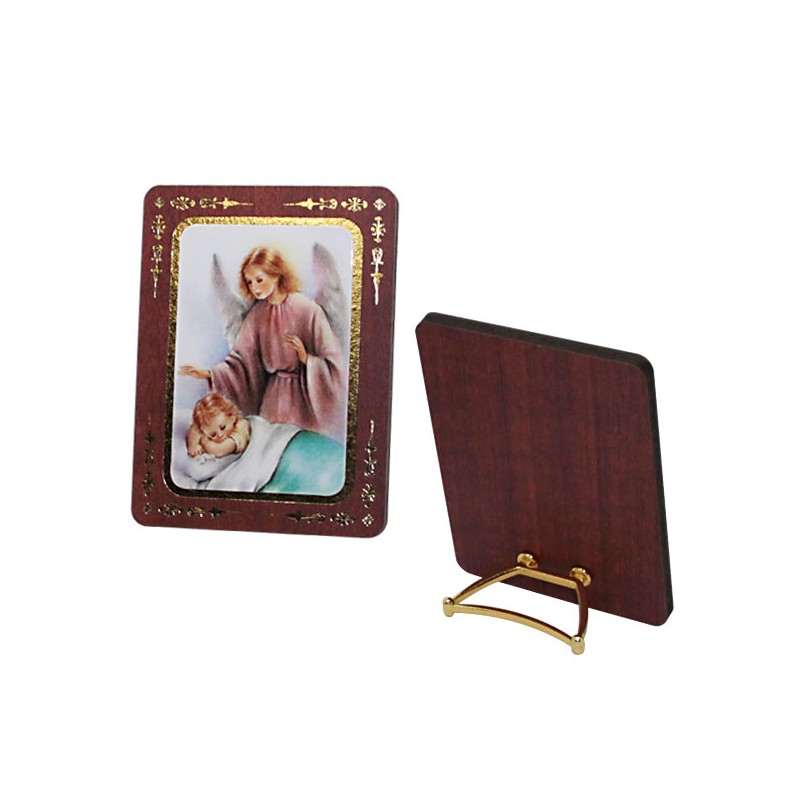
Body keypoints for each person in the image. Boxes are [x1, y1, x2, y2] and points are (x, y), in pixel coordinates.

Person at [180, 247, 346, 441]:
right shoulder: (257, 314)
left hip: (303, 404)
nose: (254, 287)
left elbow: (333, 362)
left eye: (259, 280)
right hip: (272, 401)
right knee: (268, 447)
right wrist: (210, 374)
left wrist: (307, 359)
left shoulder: (308, 310)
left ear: (276, 275)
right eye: (249, 282)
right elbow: (241, 360)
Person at [187, 393, 251, 458]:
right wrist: (193, 444)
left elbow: (218, 451)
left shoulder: (241, 427)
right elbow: (194, 429)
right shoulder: (213, 426)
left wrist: (203, 440)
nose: (220, 435)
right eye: (213, 434)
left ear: (232, 418)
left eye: (223, 428)